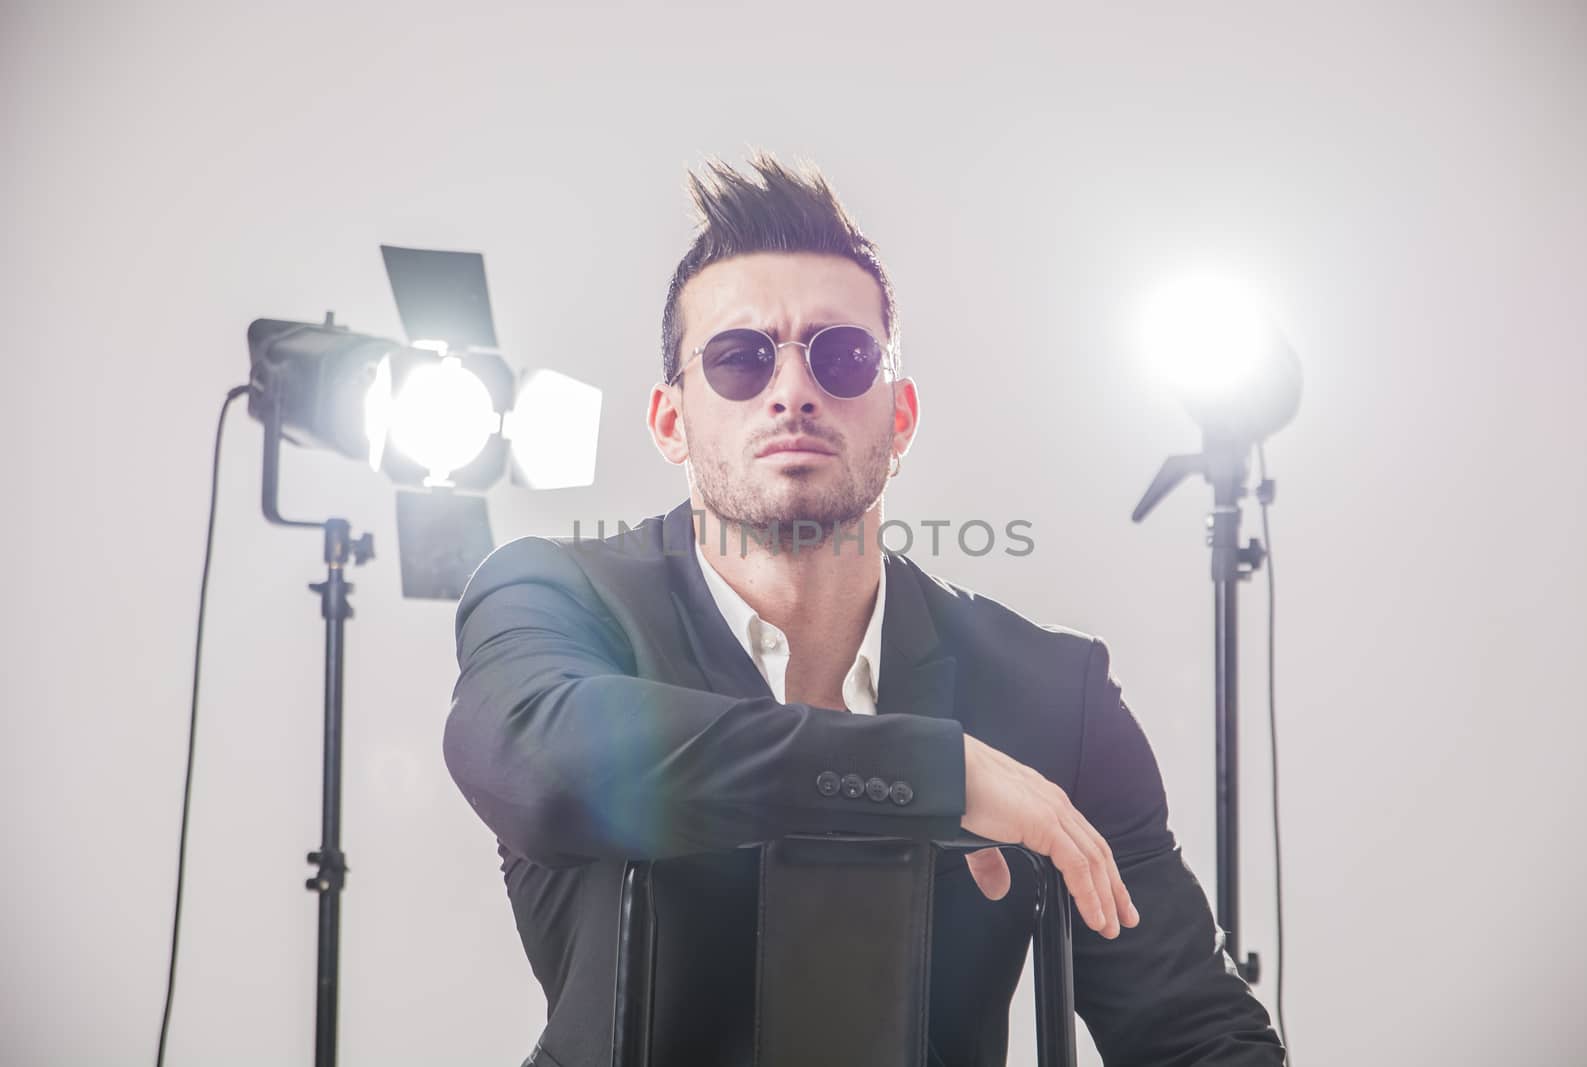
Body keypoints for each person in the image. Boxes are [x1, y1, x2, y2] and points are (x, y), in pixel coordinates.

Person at [444, 152, 1286, 1066]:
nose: (794, 389)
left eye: (844, 357)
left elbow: (1192, 1032)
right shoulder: (561, 602)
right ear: (670, 422)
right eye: (738, 358)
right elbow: (546, 768)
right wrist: (937, 772)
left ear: (902, 417)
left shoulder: (1051, 693)